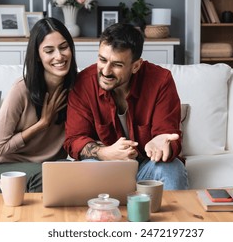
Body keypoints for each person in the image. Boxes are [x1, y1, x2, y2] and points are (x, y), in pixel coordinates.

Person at [64, 23, 188, 190]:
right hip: (105, 167)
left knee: (172, 168)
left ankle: (173, 217)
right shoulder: (83, 83)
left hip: (148, 166)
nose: (106, 71)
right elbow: (74, 140)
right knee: (88, 165)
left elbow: (168, 137)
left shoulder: (160, 81)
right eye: (102, 60)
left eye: (117, 65)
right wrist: (105, 153)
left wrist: (162, 143)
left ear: (136, 66)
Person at [0, 17, 78, 193]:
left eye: (64, 47)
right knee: (48, 177)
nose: (59, 56)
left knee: (76, 172)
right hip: (5, 168)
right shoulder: (22, 89)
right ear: (37, 56)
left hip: (50, 167)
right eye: (49, 51)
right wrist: (42, 124)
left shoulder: (77, 89)